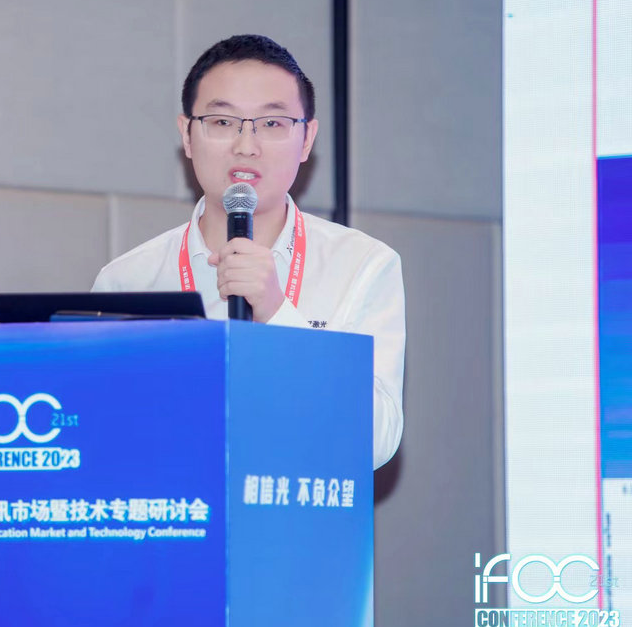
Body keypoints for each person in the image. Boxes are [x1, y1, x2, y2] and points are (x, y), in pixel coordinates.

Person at [92, 35, 404, 469]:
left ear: (307, 139)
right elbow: (101, 430)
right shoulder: (127, 280)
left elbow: (376, 443)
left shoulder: (361, 265)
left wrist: (275, 311)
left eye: (272, 124)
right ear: (187, 134)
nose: (246, 145)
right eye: (222, 121)